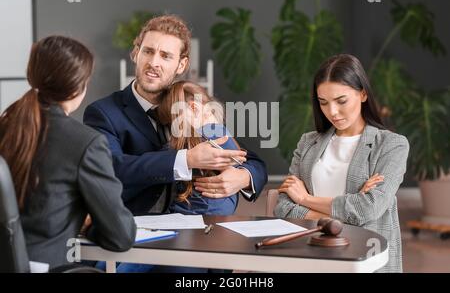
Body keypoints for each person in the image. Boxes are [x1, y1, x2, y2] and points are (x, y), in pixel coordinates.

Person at [83, 14, 267, 217]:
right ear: (136, 54)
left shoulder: (188, 104)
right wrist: (187, 159)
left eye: (166, 56)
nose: (154, 62)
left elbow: (252, 161)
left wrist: (243, 177)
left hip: (199, 228)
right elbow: (112, 168)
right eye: (148, 51)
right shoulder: (103, 112)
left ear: (181, 65)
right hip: (136, 228)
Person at [0, 35, 136, 269]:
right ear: (78, 87)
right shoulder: (86, 143)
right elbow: (121, 236)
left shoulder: (6, 124)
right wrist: (90, 226)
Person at [274, 54, 409, 273]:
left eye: (341, 101)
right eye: (323, 103)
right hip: (310, 257)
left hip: (363, 260)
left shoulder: (392, 145)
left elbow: (368, 209)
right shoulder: (308, 143)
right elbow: (283, 207)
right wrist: (339, 218)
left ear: (363, 94)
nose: (332, 112)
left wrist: (306, 199)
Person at [157, 80, 242, 215]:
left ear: (194, 108)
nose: (173, 130)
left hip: (195, 213)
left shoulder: (208, 134)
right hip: (217, 212)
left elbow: (162, 161)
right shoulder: (222, 133)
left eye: (175, 121)